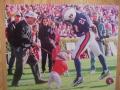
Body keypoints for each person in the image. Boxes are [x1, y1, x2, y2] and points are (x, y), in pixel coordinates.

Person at [62, 8, 109, 86]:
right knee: (98, 52)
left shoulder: (80, 18)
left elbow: (92, 27)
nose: (68, 22)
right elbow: (79, 33)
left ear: (71, 16)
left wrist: (96, 34)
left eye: (68, 20)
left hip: (88, 35)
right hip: (89, 35)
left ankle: (79, 77)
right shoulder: (77, 16)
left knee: (75, 55)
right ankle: (106, 69)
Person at [11, 11, 47, 87]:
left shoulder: (27, 25)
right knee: (20, 66)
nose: (34, 21)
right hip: (20, 49)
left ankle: (38, 79)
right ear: (29, 17)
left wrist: (30, 48)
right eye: (33, 19)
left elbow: (28, 38)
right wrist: (33, 42)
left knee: (34, 62)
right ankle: (15, 83)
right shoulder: (21, 25)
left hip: (26, 48)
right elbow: (22, 37)